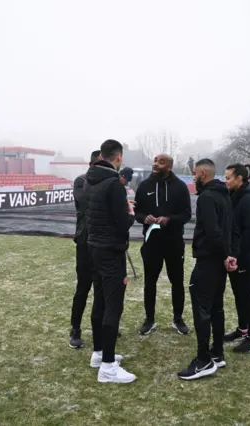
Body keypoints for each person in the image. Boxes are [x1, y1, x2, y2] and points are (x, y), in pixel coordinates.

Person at [178, 158, 239, 381]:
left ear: (203, 174)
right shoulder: (224, 195)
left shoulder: (207, 197)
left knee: (202, 308)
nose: (193, 178)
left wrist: (225, 256)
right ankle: (218, 353)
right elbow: (231, 229)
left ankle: (204, 360)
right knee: (216, 307)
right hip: (220, 262)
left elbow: (214, 231)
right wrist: (229, 255)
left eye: (195, 174)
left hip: (209, 261)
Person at [85, 139, 137, 383]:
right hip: (110, 251)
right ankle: (107, 367)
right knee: (112, 305)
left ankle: (99, 353)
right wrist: (131, 212)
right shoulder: (113, 184)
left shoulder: (89, 179)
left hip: (94, 247)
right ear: (118, 157)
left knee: (100, 300)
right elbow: (123, 222)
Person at [134, 153, 192, 335]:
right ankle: (149, 319)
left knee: (177, 282)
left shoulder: (180, 187)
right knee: (150, 282)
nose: (156, 164)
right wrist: (145, 218)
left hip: (174, 243)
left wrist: (169, 219)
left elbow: (187, 215)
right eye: (155, 161)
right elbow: (137, 212)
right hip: (151, 244)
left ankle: (178, 318)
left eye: (161, 162)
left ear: (169, 167)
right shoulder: (144, 186)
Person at [223, 163, 250, 353]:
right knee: (239, 294)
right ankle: (242, 329)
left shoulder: (249, 199)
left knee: (247, 295)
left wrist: (236, 255)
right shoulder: (233, 195)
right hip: (235, 255)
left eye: (228, 177)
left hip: (246, 257)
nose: (226, 181)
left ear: (239, 178)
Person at [68, 149, 101, 349]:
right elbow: (85, 203)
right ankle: (75, 328)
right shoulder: (81, 181)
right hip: (85, 240)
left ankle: (102, 326)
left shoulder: (110, 183)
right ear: (91, 165)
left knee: (102, 289)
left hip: (103, 242)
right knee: (83, 287)